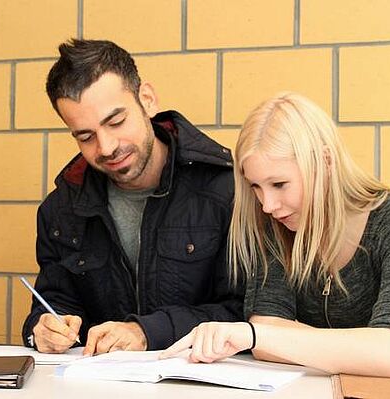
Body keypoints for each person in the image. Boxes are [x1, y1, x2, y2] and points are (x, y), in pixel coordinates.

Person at [161, 92, 390, 377]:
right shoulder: (277, 225)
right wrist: (357, 348)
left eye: (279, 184)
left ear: (325, 162)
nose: (267, 205)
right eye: (256, 186)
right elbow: (265, 335)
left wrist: (267, 335)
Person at [22, 39, 243, 355]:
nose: (107, 147)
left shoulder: (226, 190)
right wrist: (41, 328)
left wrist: (147, 332)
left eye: (116, 122)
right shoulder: (60, 210)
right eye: (85, 136)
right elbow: (55, 301)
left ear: (148, 100)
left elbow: (245, 312)